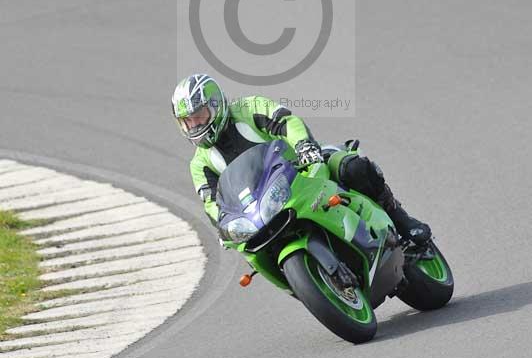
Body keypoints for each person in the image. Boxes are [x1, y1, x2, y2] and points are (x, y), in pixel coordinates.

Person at [171, 73, 431, 246]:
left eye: (199, 116)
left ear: (216, 105)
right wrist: (224, 226)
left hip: (304, 170)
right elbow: (212, 203)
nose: (195, 125)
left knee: (352, 167)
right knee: (252, 249)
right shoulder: (200, 164)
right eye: (188, 121)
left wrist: (305, 146)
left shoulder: (247, 109)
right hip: (261, 212)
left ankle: (400, 218)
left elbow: (286, 122)